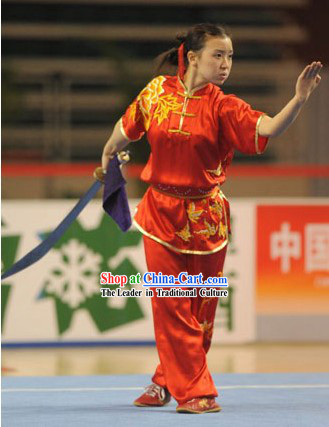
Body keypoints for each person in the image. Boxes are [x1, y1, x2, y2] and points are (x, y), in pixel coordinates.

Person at [101, 23, 322, 414]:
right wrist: (108, 159)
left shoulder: (224, 106)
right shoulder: (155, 94)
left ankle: (164, 381)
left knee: (201, 312)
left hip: (207, 219)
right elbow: (124, 131)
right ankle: (196, 393)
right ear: (192, 56)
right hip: (160, 215)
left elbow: (267, 127)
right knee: (171, 303)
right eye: (218, 55)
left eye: (230, 56)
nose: (225, 64)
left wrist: (299, 100)